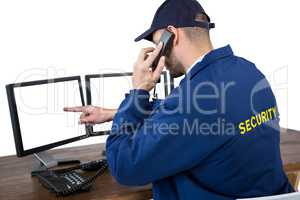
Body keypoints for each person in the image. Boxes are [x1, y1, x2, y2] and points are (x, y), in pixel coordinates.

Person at [64, 0, 294, 199]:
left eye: (157, 45)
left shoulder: (193, 99)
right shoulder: (247, 71)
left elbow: (124, 167)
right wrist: (114, 113)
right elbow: (198, 116)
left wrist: (139, 91)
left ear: (172, 36)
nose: (157, 54)